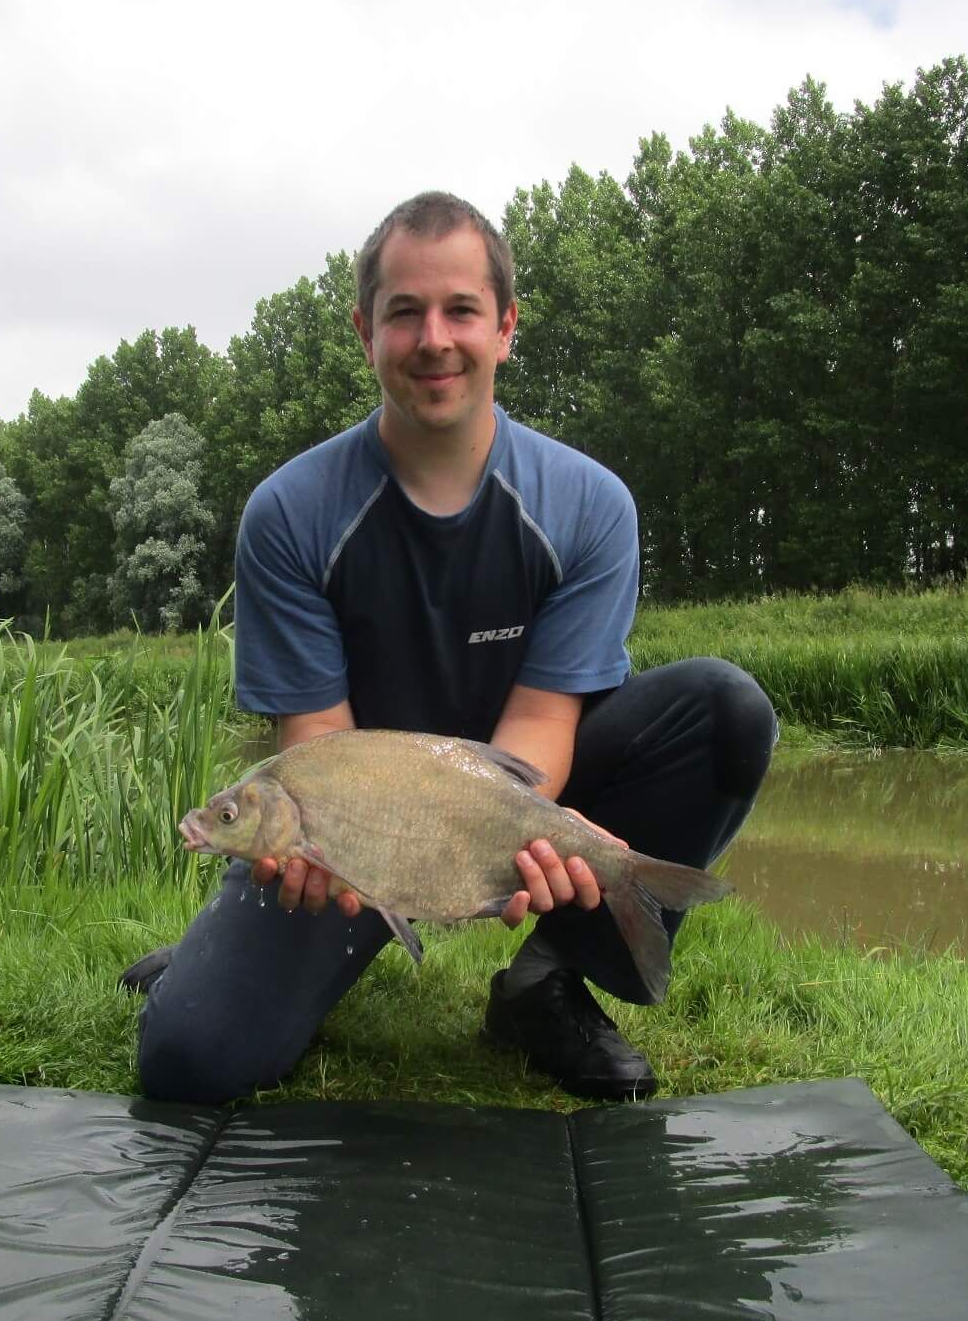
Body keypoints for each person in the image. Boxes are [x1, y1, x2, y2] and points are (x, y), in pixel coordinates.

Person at [127, 191, 777, 1104]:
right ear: (365, 331)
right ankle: (222, 959)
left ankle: (544, 984)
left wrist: (503, 844)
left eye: (462, 309)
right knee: (188, 1062)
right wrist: (337, 859)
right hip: (359, 829)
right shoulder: (290, 513)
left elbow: (546, 721)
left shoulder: (590, 505)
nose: (434, 338)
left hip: (506, 800)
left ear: (506, 327)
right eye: (405, 312)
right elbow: (317, 752)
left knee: (726, 709)